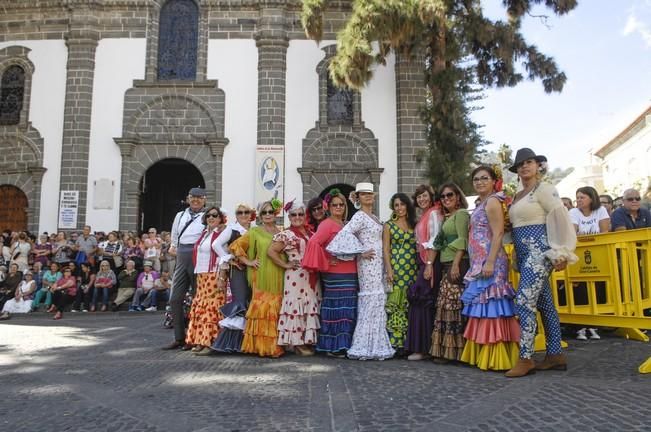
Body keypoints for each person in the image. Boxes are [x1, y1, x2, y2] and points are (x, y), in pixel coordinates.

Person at [505, 148, 577, 378]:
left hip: (540, 252)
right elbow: (516, 226)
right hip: (524, 253)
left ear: (538, 166)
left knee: (524, 301)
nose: (525, 167)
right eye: (520, 164)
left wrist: (562, 252)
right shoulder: (518, 194)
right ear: (516, 170)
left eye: (529, 162)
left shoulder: (544, 189)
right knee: (545, 304)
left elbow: (561, 217)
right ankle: (555, 354)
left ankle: (525, 357)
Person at [460, 166, 520, 371]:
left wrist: (491, 261)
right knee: (482, 306)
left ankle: (497, 355)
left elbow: (498, 232)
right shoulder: (481, 203)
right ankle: (484, 352)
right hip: (480, 261)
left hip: (491, 261)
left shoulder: (493, 201)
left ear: (494, 180)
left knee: (492, 305)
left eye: (484, 178)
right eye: (476, 179)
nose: (479, 182)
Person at [327, 182, 395, 360]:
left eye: (370, 194)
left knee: (378, 299)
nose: (367, 197)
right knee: (371, 298)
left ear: (374, 196)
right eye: (363, 194)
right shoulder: (359, 216)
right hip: (368, 263)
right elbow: (344, 234)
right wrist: (359, 251)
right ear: (358, 197)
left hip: (378, 263)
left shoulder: (373, 216)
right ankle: (364, 346)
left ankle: (376, 344)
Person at [303, 188, 358, 357]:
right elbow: (313, 243)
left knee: (348, 310)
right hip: (335, 275)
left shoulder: (346, 224)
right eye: (335, 205)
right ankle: (334, 346)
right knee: (337, 309)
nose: (339, 207)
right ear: (329, 206)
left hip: (351, 273)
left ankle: (344, 344)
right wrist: (325, 261)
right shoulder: (326, 225)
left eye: (342, 204)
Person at [230, 200, 285, 357]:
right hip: (260, 276)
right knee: (261, 310)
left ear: (275, 214)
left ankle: (274, 345)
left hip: (278, 275)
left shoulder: (281, 232)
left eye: (270, 212)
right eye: (264, 212)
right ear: (260, 216)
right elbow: (236, 247)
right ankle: (261, 346)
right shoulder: (254, 232)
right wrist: (248, 261)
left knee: (275, 308)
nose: (268, 215)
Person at [267, 200, 320, 356]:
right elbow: (271, 251)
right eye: (294, 215)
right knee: (296, 308)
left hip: (311, 276)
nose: (297, 217)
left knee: (308, 306)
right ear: (289, 217)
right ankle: (296, 343)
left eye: (300, 214)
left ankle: (306, 340)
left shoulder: (311, 233)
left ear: (305, 216)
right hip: (296, 276)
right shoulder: (287, 234)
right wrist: (286, 265)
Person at [428, 183, 470, 363]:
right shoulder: (448, 217)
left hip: (456, 265)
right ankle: (449, 351)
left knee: (453, 306)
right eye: (443, 197)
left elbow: (463, 239)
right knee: (446, 306)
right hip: (445, 264)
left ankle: (458, 352)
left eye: (450, 195)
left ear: (458, 196)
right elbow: (437, 243)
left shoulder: (461, 214)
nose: (446, 199)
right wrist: (429, 263)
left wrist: (455, 264)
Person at [163, 187, 207, 350]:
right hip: (182, 254)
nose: (195, 200)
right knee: (175, 298)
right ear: (188, 198)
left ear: (204, 200)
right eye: (192, 197)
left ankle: (194, 338)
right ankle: (179, 337)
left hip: (198, 255)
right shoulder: (180, 215)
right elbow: (175, 235)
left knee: (198, 299)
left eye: (199, 197)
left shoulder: (208, 215)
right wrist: (174, 246)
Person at [405, 185, 443, 361]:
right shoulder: (424, 215)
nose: (422, 199)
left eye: (424, 196)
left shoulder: (434, 213)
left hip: (430, 262)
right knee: (423, 302)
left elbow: (436, 239)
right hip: (424, 261)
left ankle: (421, 349)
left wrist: (429, 263)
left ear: (431, 196)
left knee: (421, 300)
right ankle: (425, 347)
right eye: (419, 197)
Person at [211, 204, 254, 353]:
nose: (243, 215)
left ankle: (248, 342)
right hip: (237, 271)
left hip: (252, 270)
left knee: (250, 302)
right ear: (236, 215)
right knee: (240, 302)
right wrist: (227, 257)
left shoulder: (253, 230)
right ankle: (233, 343)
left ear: (251, 214)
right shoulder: (232, 229)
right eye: (239, 212)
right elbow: (216, 244)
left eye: (246, 212)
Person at [185, 207, 227, 355]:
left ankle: (210, 342)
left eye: (215, 215)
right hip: (202, 274)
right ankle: (200, 340)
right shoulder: (204, 233)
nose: (211, 217)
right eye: (208, 215)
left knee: (211, 308)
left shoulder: (222, 234)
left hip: (214, 274)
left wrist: (222, 276)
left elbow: (225, 256)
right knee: (201, 307)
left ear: (221, 218)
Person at [382, 193, 418, 355]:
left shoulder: (414, 224)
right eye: (396, 205)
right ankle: (396, 343)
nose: (400, 208)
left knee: (410, 304)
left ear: (407, 206)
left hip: (412, 268)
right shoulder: (389, 225)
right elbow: (386, 249)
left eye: (402, 204)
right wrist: (389, 269)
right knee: (397, 304)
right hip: (397, 268)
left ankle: (408, 342)